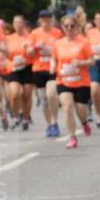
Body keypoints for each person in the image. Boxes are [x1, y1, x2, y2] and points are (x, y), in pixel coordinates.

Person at [53, 15, 94, 148]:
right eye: (66, 26)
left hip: (81, 82)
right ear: (62, 27)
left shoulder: (84, 42)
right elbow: (54, 58)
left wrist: (81, 62)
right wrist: (52, 66)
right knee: (68, 107)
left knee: (81, 110)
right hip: (63, 81)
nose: (69, 28)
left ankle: (84, 123)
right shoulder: (57, 43)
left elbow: (92, 61)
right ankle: (72, 137)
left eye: (72, 26)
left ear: (76, 27)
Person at [28, 9, 63, 137]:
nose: (45, 21)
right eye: (43, 18)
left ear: (51, 19)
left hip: (52, 69)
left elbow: (64, 48)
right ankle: (49, 125)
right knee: (44, 99)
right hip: (38, 69)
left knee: (51, 94)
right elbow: (29, 52)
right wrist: (36, 47)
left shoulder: (57, 33)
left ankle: (55, 122)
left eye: (47, 18)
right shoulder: (35, 33)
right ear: (39, 20)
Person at [0, 14, 34, 130]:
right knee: (14, 94)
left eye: (20, 22)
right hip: (13, 68)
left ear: (24, 24)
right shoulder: (8, 38)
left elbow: (33, 52)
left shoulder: (30, 37)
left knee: (26, 95)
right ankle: (15, 117)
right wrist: (3, 59)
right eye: (15, 22)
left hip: (27, 67)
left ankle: (25, 118)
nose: (18, 25)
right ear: (13, 25)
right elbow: (4, 53)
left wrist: (28, 49)